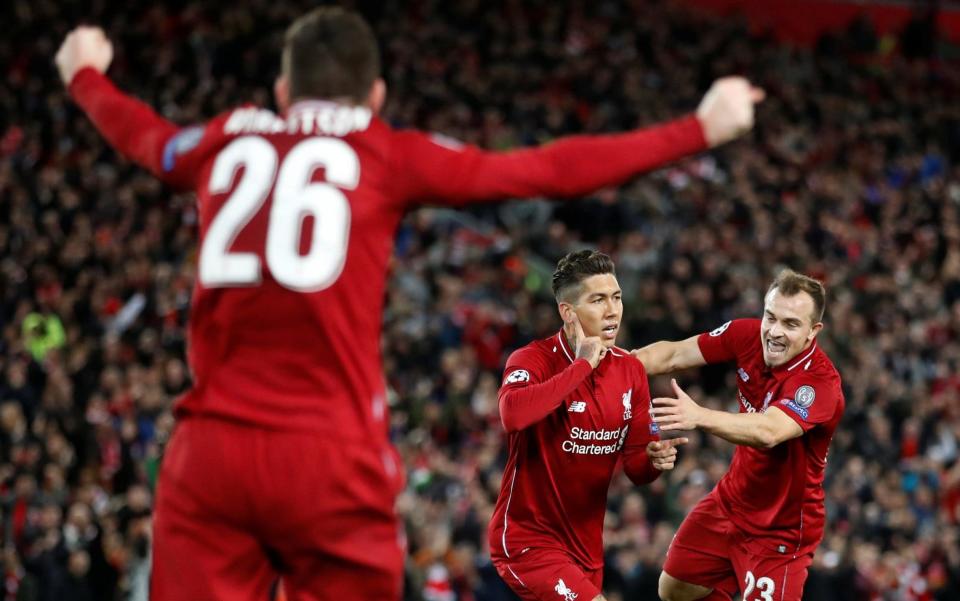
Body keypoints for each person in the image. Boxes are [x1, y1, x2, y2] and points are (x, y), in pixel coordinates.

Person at [54, 7, 762, 599]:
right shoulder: (382, 151)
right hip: (327, 458)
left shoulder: (224, 140)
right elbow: (541, 170)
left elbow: (144, 137)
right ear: (377, 96)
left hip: (207, 457)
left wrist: (84, 73)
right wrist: (696, 129)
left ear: (280, 90)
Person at [631, 270, 845, 601]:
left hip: (780, 530)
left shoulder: (820, 383)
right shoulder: (745, 334)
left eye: (790, 324)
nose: (774, 332)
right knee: (673, 589)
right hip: (730, 502)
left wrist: (700, 416)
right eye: (770, 317)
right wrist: (612, 368)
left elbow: (769, 431)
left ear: (812, 331)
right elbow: (673, 354)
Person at [488, 250, 688, 601]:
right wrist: (581, 365)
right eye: (598, 300)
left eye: (616, 297)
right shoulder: (532, 359)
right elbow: (512, 415)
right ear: (568, 312)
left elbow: (636, 468)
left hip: (585, 549)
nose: (612, 310)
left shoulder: (630, 371)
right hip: (527, 540)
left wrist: (655, 460)